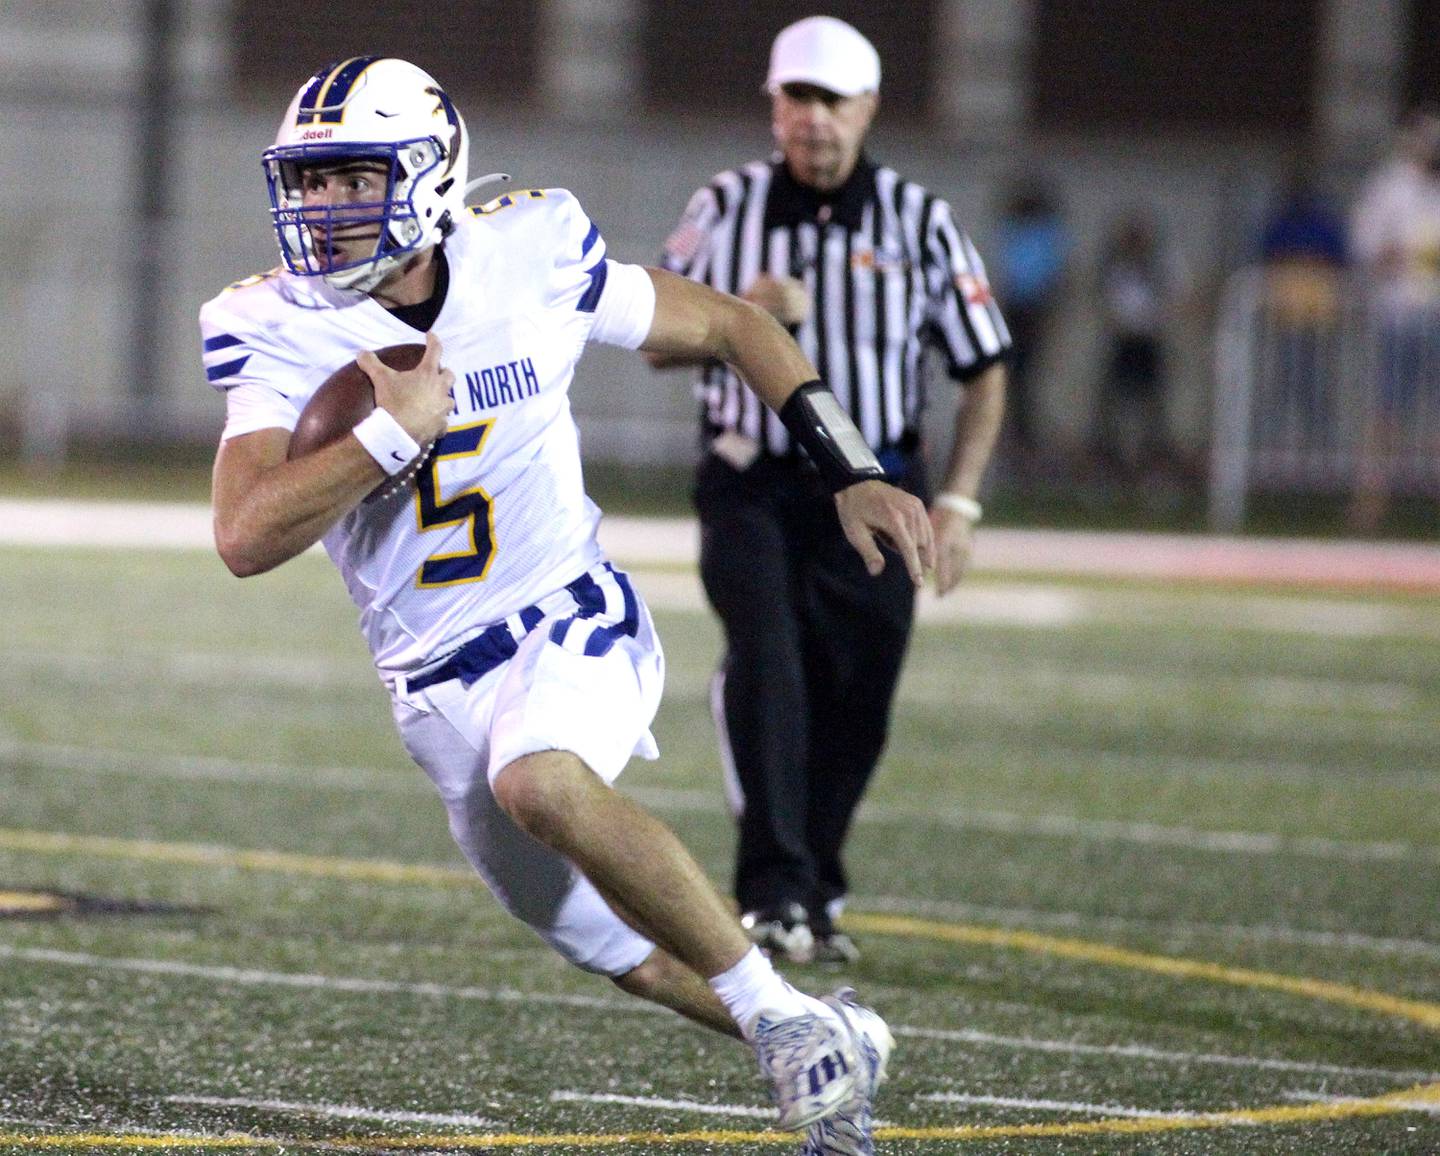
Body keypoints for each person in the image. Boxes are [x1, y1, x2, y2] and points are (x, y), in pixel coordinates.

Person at [200, 56, 931, 1152]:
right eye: (308, 183)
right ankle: (821, 1035)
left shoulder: (528, 251)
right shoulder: (277, 323)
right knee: (613, 946)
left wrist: (853, 467)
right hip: (431, 686)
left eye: (352, 179)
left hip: (566, 616)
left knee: (539, 775)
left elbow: (735, 327)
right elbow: (245, 536)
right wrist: (385, 437)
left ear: (430, 173)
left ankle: (785, 1027)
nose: (323, 209)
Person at [650, 18, 1008, 965]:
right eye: (796, 98)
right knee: (769, 663)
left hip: (883, 482)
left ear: (869, 108)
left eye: (832, 100)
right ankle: (773, 892)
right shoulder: (722, 209)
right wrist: (740, 320)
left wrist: (960, 501)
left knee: (861, 688)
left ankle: (817, 885)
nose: (813, 120)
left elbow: (985, 367)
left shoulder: (919, 220)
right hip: (751, 480)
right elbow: (650, 339)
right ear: (773, 104)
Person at [1347, 105, 1440, 533]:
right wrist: (1403, 255)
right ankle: (1370, 509)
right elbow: (1364, 247)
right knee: (1386, 413)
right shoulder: (1390, 186)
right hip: (1401, 314)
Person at [1090, 207, 1188, 485]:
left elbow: (1178, 299)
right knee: (1111, 403)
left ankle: (1151, 459)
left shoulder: (1158, 266)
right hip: (1123, 341)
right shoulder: (1116, 265)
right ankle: (1111, 460)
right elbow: (1106, 300)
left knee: (1153, 405)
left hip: (1148, 342)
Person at [992, 178, 1070, 476]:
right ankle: (1017, 443)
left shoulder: (1047, 234)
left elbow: (1055, 277)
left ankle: (1027, 444)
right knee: (1016, 383)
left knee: (1027, 384)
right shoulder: (1014, 231)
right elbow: (1006, 274)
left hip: (1036, 313)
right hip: (1017, 312)